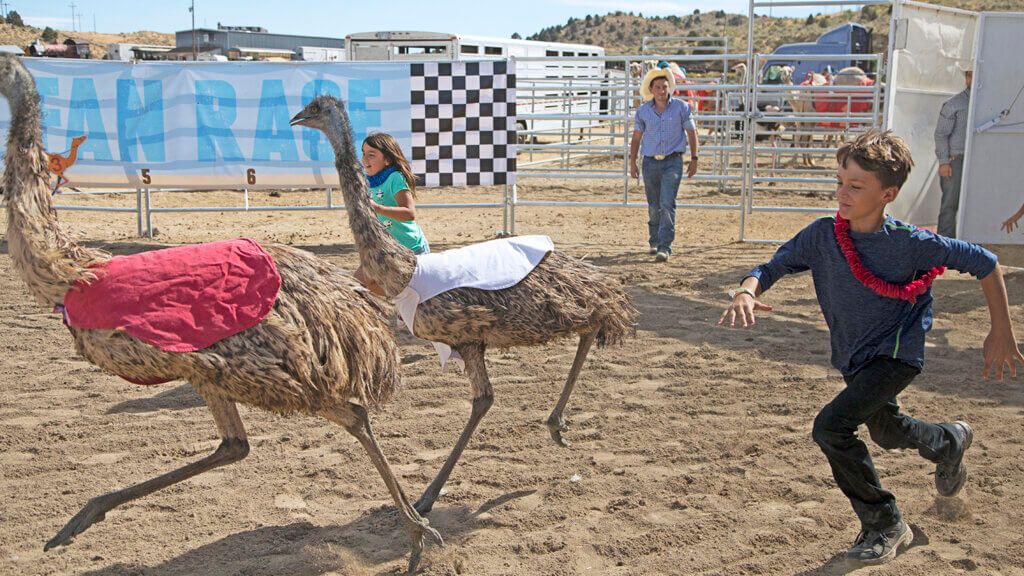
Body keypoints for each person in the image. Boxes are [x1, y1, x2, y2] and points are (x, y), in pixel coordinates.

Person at [719, 130, 1023, 565]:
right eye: (840, 181)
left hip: (897, 352)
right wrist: (746, 290)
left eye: (856, 186)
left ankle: (884, 522)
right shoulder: (822, 235)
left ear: (888, 194)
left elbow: (986, 263)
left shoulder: (910, 243)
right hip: (854, 355)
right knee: (885, 430)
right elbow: (771, 266)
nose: (842, 192)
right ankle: (948, 440)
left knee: (831, 427)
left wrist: (1002, 333)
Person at [629, 66, 699, 262]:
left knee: (667, 203)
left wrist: (694, 158)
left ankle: (664, 246)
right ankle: (655, 240)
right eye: (657, 87)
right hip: (650, 162)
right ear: (651, 89)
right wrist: (632, 161)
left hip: (672, 161)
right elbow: (636, 137)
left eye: (664, 87)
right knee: (653, 204)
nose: (661, 91)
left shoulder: (682, 108)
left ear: (670, 88)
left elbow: (692, 133)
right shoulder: (643, 111)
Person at [356, 132, 429, 296]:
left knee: (412, 294)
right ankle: (396, 308)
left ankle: (399, 308)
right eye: (363, 153)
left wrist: (378, 208)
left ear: (387, 160)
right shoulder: (367, 181)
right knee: (358, 285)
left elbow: (409, 213)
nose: (364, 159)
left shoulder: (395, 177)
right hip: (385, 250)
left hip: (410, 249)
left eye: (371, 155)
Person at [934, 61, 973, 238]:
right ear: (967, 78)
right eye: (969, 74)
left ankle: (971, 242)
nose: (972, 78)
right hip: (956, 160)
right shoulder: (954, 104)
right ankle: (946, 244)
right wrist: (944, 162)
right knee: (950, 203)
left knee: (974, 202)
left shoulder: (987, 103)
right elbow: (941, 134)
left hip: (977, 161)